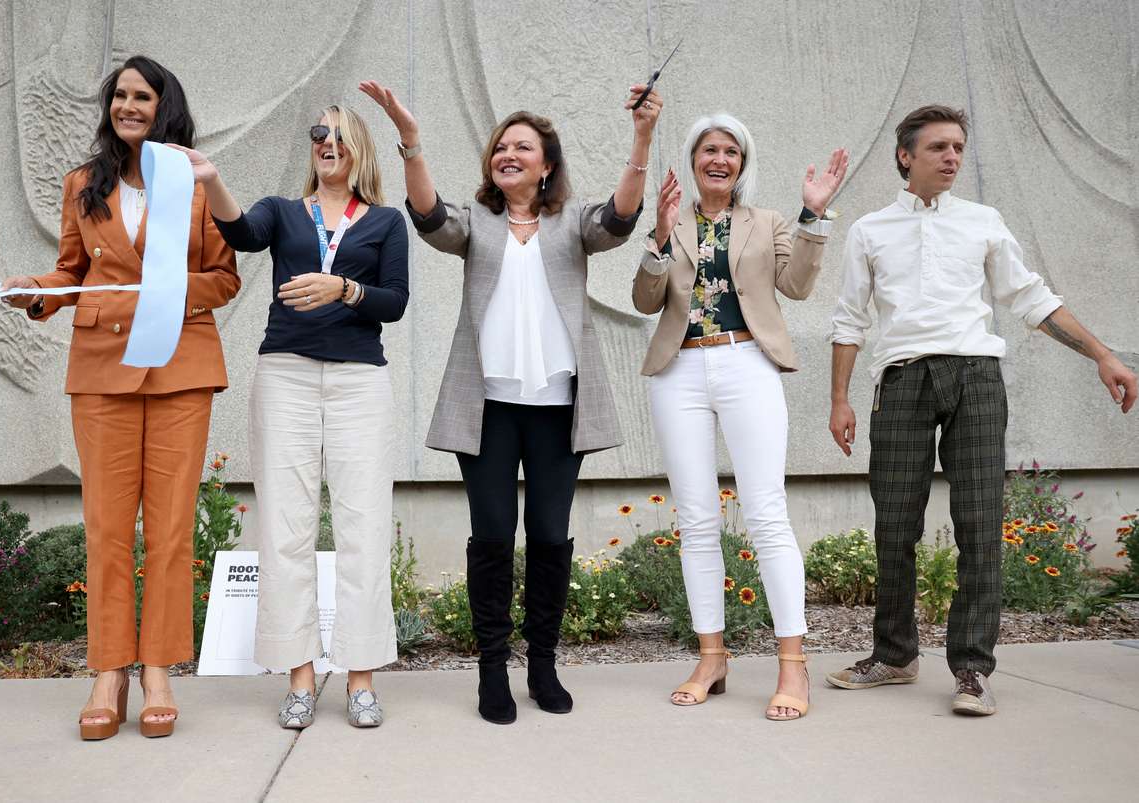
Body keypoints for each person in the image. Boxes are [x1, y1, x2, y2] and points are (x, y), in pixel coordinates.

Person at [359, 79, 660, 724]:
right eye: (501, 146)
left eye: (523, 146)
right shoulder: (478, 225)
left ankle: (543, 666)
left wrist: (641, 137)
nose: (508, 153)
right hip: (487, 411)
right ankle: (491, 672)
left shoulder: (571, 225)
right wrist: (411, 140)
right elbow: (431, 216)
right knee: (492, 537)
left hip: (559, 411)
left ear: (546, 164)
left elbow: (620, 218)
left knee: (550, 537)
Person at [826, 104, 1137, 716]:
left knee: (979, 525)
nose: (952, 158)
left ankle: (972, 668)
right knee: (894, 523)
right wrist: (839, 399)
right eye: (939, 147)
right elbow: (848, 320)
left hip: (975, 379)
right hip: (903, 380)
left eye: (959, 148)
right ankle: (893, 655)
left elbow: (1031, 297)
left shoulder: (983, 222)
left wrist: (1103, 354)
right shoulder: (869, 230)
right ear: (905, 156)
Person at [0, 55, 241, 740]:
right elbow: (72, 271)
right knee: (107, 529)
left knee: (168, 530)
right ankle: (108, 670)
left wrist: (167, 293)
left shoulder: (194, 182)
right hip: (102, 369)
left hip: (180, 369)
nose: (128, 105)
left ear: (166, 106)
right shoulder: (84, 183)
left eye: (142, 95)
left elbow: (226, 278)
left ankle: (157, 669)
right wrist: (38, 290)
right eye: (119, 95)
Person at [174, 104, 408, 729]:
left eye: (337, 134)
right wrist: (211, 177)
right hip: (286, 378)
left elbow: (396, 302)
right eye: (317, 135)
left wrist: (344, 290)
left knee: (364, 527)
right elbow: (242, 235)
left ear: (358, 147)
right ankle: (300, 678)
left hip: (361, 383)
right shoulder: (282, 210)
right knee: (285, 526)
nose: (326, 143)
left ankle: (360, 679)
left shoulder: (385, 221)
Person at [632, 114, 847, 719]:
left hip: (747, 363)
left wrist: (814, 218)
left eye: (731, 151)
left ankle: (793, 665)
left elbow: (797, 286)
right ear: (694, 158)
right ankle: (711, 656)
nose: (719, 159)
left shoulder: (769, 222)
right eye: (709, 150)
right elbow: (645, 300)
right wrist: (657, 237)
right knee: (697, 519)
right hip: (679, 371)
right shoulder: (671, 221)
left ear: (742, 163)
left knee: (766, 513)